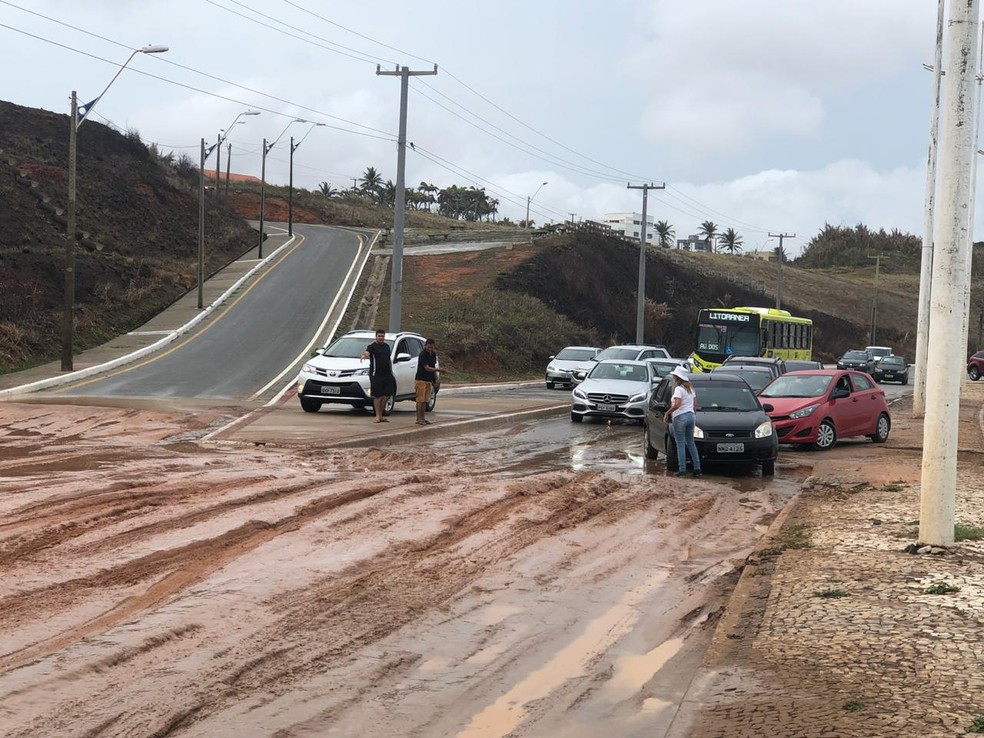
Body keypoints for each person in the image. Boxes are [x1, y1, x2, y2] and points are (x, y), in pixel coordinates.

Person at [663, 365, 702, 478]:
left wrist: (667, 413)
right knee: (691, 443)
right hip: (691, 416)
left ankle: (682, 469)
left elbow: (678, 404)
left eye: (674, 376)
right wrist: (692, 414)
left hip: (680, 417)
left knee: (680, 444)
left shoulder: (678, 389)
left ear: (677, 378)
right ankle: (697, 469)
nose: (674, 377)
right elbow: (694, 405)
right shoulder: (691, 389)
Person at [360, 329, 395, 423]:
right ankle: (378, 416)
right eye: (379, 336)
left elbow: (388, 360)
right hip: (376, 374)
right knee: (377, 396)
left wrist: (391, 372)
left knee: (388, 394)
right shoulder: (372, 346)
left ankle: (381, 413)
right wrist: (364, 355)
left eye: (382, 336)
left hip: (387, 374)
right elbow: (367, 352)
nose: (381, 338)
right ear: (376, 336)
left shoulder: (387, 346)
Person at [414, 338, 446, 425]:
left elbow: (432, 367)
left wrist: (436, 379)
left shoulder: (433, 354)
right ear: (425, 346)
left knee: (425, 400)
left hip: (429, 380)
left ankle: (423, 418)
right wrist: (439, 370)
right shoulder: (422, 354)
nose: (430, 349)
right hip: (421, 380)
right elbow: (427, 368)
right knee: (420, 400)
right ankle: (418, 418)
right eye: (428, 347)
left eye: (432, 347)